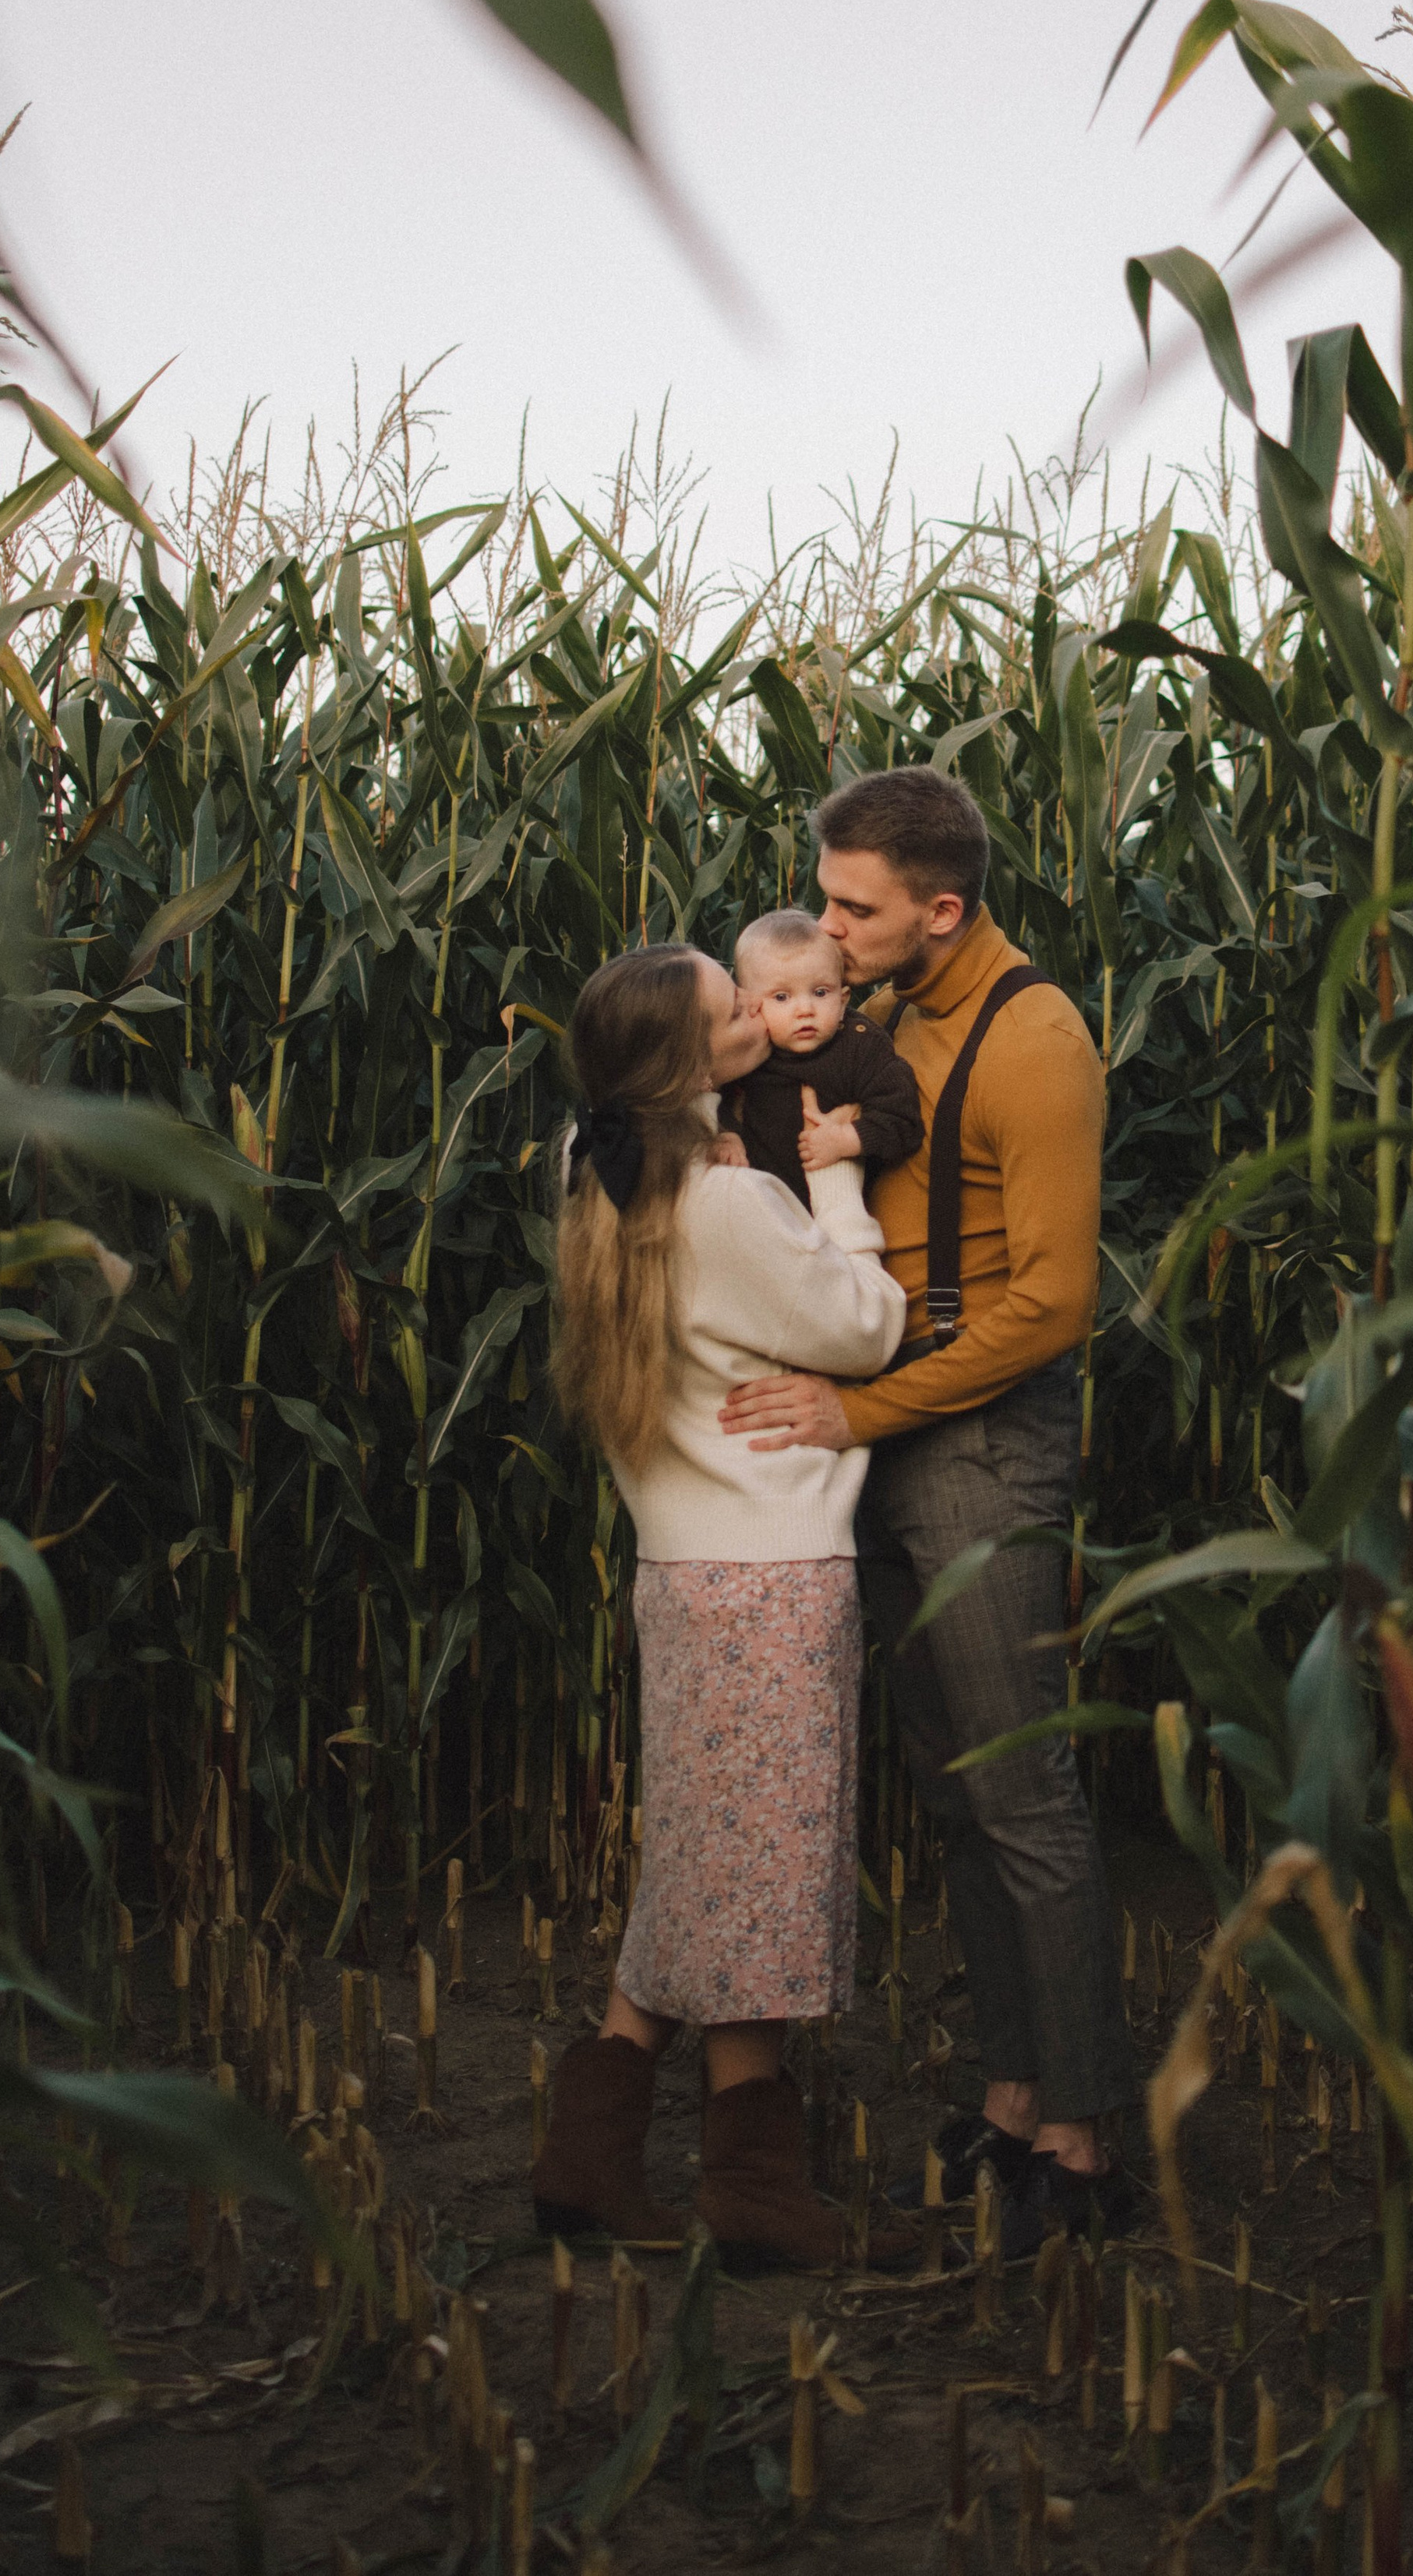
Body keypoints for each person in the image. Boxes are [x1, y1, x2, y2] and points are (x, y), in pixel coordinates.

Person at [719, 768, 1138, 2257]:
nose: (824, 930)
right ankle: (1014, 2100)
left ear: (941, 909)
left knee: (1024, 1795)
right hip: (889, 1426)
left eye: (853, 909)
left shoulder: (1037, 1039)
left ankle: (1083, 2144)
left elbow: (1054, 1305)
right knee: (956, 1791)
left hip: (979, 1434)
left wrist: (860, 1414)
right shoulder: (882, 1022)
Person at [528, 940, 917, 2271]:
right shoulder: (731, 1201)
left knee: (709, 1859)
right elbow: (869, 1327)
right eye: (732, 1002)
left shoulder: (590, 1170)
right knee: (764, 1873)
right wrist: (837, 1182)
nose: (759, 1007)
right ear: (691, 1057)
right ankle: (751, 2188)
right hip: (773, 1572)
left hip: (679, 1573)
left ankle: (587, 2159)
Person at [719, 905, 924, 1205]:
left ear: (842, 1001)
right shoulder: (747, 1051)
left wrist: (846, 1140)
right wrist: (726, 1134)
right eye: (781, 997)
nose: (805, 1010)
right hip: (763, 1206)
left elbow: (903, 1119)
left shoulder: (860, 1047)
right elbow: (710, 1099)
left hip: (841, 1209)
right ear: (751, 1003)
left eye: (820, 993)